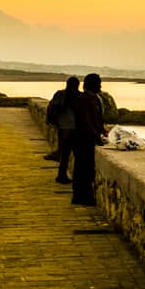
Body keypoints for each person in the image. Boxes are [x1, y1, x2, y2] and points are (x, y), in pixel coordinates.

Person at [70, 73, 108, 206]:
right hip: (81, 140)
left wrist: (102, 130)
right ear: (92, 85)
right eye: (98, 83)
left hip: (89, 140)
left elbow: (97, 119)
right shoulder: (83, 100)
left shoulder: (95, 99)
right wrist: (97, 137)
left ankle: (84, 196)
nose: (100, 85)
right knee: (82, 170)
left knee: (87, 170)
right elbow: (85, 122)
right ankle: (80, 197)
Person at [45, 76, 80, 183]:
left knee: (65, 154)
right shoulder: (78, 96)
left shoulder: (60, 94)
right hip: (73, 129)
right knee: (75, 155)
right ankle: (69, 177)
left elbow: (50, 108)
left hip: (62, 127)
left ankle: (61, 176)